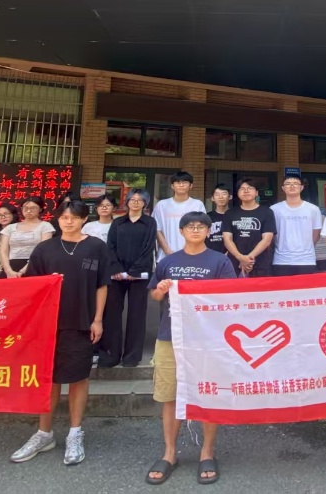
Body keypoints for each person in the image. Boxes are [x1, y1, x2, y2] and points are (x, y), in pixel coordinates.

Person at [12, 201, 110, 466]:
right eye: (64, 217)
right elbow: (32, 285)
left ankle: (75, 433)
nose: (68, 221)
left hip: (82, 321)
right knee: (49, 378)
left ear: (84, 219)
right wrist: (48, 283)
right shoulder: (45, 248)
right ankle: (44, 433)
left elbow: (102, 285)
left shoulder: (96, 247)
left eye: (74, 217)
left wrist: (97, 320)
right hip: (49, 323)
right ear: (58, 219)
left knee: (79, 377)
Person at [146, 211, 236, 485]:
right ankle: (169, 453)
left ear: (208, 231)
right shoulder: (168, 261)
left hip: (207, 338)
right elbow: (154, 294)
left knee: (209, 392)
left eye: (200, 226)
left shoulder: (220, 261)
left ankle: (207, 452)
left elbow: (231, 296)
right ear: (182, 231)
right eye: (190, 226)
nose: (195, 230)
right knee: (169, 395)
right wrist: (162, 290)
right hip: (170, 336)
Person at [101, 189, 156, 368]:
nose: (135, 202)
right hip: (117, 273)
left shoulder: (150, 222)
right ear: (127, 202)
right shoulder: (118, 222)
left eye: (140, 199)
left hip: (140, 274)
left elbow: (148, 247)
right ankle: (110, 355)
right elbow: (110, 246)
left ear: (145, 203)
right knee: (112, 313)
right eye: (132, 199)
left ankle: (132, 356)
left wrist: (135, 270)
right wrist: (116, 268)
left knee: (137, 314)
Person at [222, 179, 276, 277]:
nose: (246, 191)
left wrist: (249, 259)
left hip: (260, 263)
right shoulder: (230, 213)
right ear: (238, 193)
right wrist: (240, 257)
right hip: (234, 262)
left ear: (256, 193)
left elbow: (267, 239)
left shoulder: (267, 212)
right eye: (242, 189)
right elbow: (227, 239)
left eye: (250, 188)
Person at [270, 176, 323, 276]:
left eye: (295, 183)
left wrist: (306, 247)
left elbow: (316, 233)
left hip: (306, 260)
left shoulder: (313, 209)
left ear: (301, 187)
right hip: (281, 260)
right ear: (283, 188)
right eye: (288, 184)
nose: (292, 186)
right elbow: (271, 234)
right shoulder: (274, 209)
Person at [152, 171, 206, 259]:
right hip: (165, 256)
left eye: (184, 182)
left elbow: (202, 228)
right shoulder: (162, 205)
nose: (181, 185)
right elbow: (157, 230)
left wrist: (189, 250)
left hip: (192, 255)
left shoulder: (197, 204)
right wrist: (167, 251)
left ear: (191, 185)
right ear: (172, 186)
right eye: (177, 182)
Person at [0, 197, 54, 278]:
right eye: (25, 208)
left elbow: (43, 250)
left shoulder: (46, 226)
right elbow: (3, 251)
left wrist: (23, 271)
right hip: (12, 267)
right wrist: (8, 271)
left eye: (33, 208)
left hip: (35, 265)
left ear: (40, 209)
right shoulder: (10, 228)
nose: (28, 211)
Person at [206, 184, 231, 254]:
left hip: (230, 256)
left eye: (224, 194)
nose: (220, 197)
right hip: (210, 255)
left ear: (230, 197)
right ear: (212, 198)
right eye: (217, 194)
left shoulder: (235, 216)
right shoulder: (207, 217)